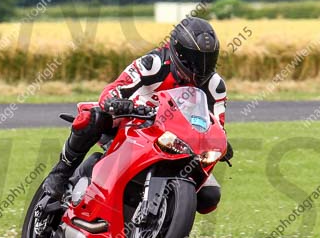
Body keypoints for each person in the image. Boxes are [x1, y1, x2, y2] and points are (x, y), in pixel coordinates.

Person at [42, 17, 232, 214]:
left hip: (181, 143)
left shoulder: (215, 86)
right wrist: (116, 102)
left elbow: (218, 124)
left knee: (210, 196)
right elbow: (115, 88)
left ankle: (163, 229)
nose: (199, 67)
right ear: (178, 51)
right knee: (94, 117)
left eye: (207, 60)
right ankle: (61, 172)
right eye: (193, 59)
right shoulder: (154, 63)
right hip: (135, 123)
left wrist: (221, 143)